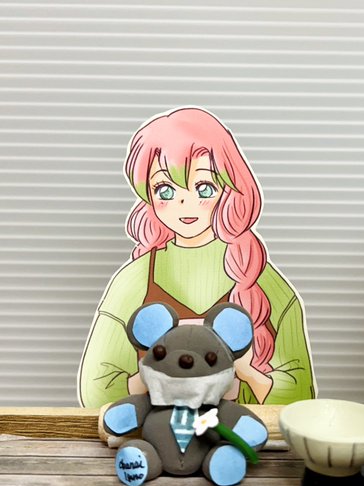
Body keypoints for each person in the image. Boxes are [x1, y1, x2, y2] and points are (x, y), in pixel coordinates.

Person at [79, 107, 315, 408]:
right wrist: (160, 373)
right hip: (155, 429)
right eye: (165, 190)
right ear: (147, 195)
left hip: (235, 430)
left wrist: (246, 372)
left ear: (229, 188)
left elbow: (299, 395)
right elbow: (96, 390)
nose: (184, 201)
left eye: (204, 188)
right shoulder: (135, 278)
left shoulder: (257, 275)